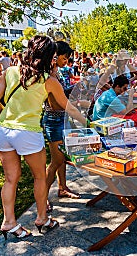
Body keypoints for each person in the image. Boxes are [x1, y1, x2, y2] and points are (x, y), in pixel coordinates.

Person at [0, 35, 85, 240]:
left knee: (10, 179)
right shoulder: (49, 81)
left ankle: (9, 222)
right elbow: (69, 108)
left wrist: (6, 116)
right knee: (40, 177)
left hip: (4, 131)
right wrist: (87, 123)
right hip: (28, 133)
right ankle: (42, 218)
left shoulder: (10, 71)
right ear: (49, 56)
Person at [43, 41, 87, 209]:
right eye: (65, 57)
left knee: (62, 159)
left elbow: (60, 97)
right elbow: (54, 103)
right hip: (54, 121)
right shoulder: (49, 75)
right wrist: (72, 102)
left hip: (61, 119)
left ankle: (62, 187)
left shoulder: (57, 73)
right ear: (55, 56)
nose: (67, 61)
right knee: (55, 161)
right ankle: (43, 197)